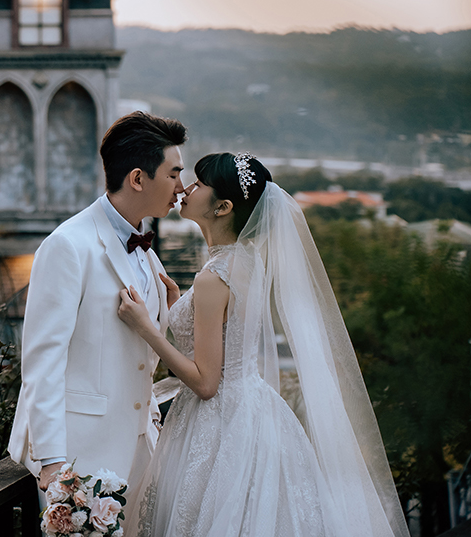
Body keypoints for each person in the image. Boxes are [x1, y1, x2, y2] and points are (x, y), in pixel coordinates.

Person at [118, 152, 408, 536]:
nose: (186, 188)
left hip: (217, 422)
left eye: (199, 184)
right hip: (253, 410)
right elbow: (225, 337)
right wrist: (178, 307)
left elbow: (206, 383)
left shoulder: (213, 278)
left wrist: (146, 328)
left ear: (222, 207)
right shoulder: (248, 261)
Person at [8, 111, 187, 500]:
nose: (181, 187)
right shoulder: (68, 245)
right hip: (80, 454)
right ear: (138, 178)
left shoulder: (147, 252)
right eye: (173, 174)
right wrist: (53, 461)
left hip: (140, 449)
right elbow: (43, 358)